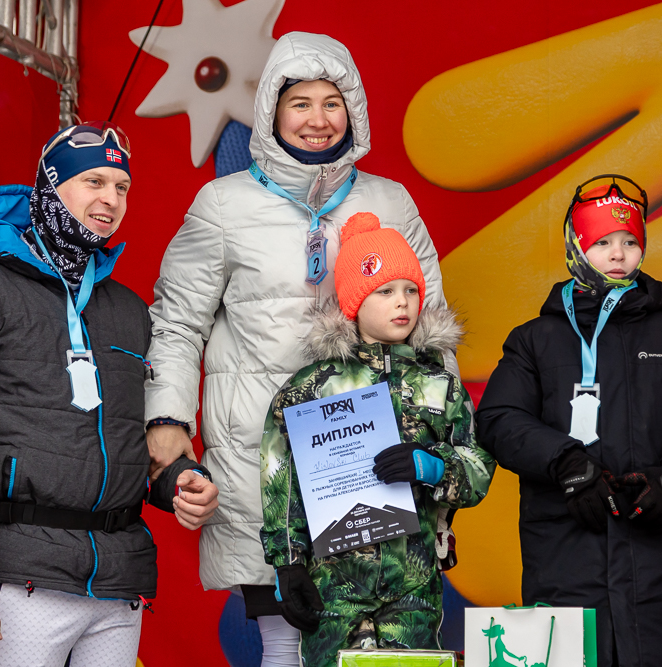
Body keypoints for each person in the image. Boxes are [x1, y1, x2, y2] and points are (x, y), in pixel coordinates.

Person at [143, 32, 456, 665]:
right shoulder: (224, 204)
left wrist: (440, 448)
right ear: (271, 113)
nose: (318, 119)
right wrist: (169, 429)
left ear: (355, 111)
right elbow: (176, 323)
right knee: (286, 641)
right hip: (267, 465)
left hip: (375, 466)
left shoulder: (390, 202)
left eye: (332, 102)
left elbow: (431, 329)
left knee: (377, 644)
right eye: (300, 103)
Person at [0, 122, 219, 665]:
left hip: (116, 587)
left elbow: (133, 445)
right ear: (49, 186)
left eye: (122, 187)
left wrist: (178, 484)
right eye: (93, 181)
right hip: (16, 581)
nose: (110, 199)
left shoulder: (127, 309)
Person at [475, 175, 662, 666]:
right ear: (576, 246)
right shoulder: (534, 339)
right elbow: (497, 419)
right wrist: (564, 464)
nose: (618, 254)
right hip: (565, 552)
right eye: (602, 242)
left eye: (629, 242)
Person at [260, 212, 496, 667]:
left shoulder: (441, 385)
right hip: (334, 590)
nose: (402, 302)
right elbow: (280, 482)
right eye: (385, 291)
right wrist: (287, 565)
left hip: (414, 588)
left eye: (411, 290)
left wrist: (433, 466)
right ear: (354, 302)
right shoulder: (309, 388)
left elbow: (479, 467)